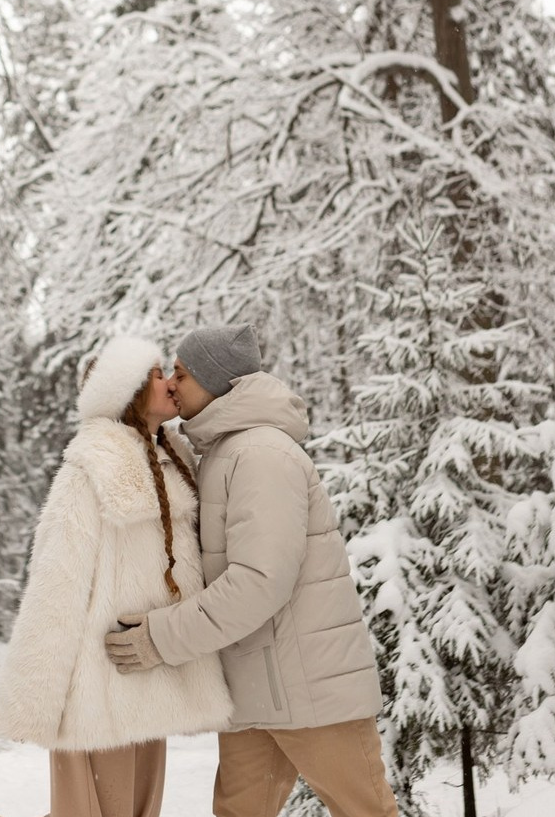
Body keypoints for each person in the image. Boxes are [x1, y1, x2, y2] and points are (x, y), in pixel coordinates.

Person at [105, 324, 399, 817]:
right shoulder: (225, 452)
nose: (172, 383)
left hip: (311, 690)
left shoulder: (259, 454)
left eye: (181, 373)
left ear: (217, 381)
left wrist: (161, 637)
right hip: (256, 689)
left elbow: (259, 583)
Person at [0, 334, 232, 817]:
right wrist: (34, 699)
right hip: (96, 690)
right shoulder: (89, 468)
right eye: (157, 375)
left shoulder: (173, 459)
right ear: (127, 393)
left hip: (148, 678)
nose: (170, 382)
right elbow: (56, 585)